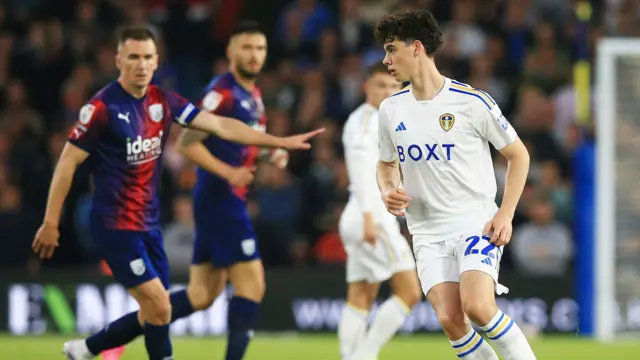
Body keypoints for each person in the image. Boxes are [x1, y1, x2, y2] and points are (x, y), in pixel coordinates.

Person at [31, 26, 323, 360]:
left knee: (163, 310)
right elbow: (67, 163)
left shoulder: (163, 101)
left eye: (147, 57)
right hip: (115, 225)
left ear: (157, 62)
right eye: (133, 57)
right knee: (161, 303)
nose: (141, 64)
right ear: (118, 61)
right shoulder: (101, 108)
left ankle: (86, 349)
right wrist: (50, 221)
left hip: (149, 225)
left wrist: (276, 143)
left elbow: (220, 126)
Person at [373, 9, 537, 360]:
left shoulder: (471, 101)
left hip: (474, 222)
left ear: (416, 48)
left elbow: (519, 155)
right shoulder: (390, 110)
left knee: (477, 306)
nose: (386, 60)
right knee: (450, 318)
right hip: (426, 231)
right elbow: (386, 164)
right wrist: (388, 190)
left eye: (391, 49)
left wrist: (506, 214)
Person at [338, 63, 421, 360]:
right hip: (369, 216)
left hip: (364, 215)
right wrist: (369, 219)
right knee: (410, 291)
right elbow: (361, 173)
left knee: (361, 294)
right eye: (380, 86)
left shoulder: (381, 120)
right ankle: (365, 355)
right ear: (366, 88)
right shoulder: (366, 122)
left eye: (392, 86)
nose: (387, 92)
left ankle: (351, 357)